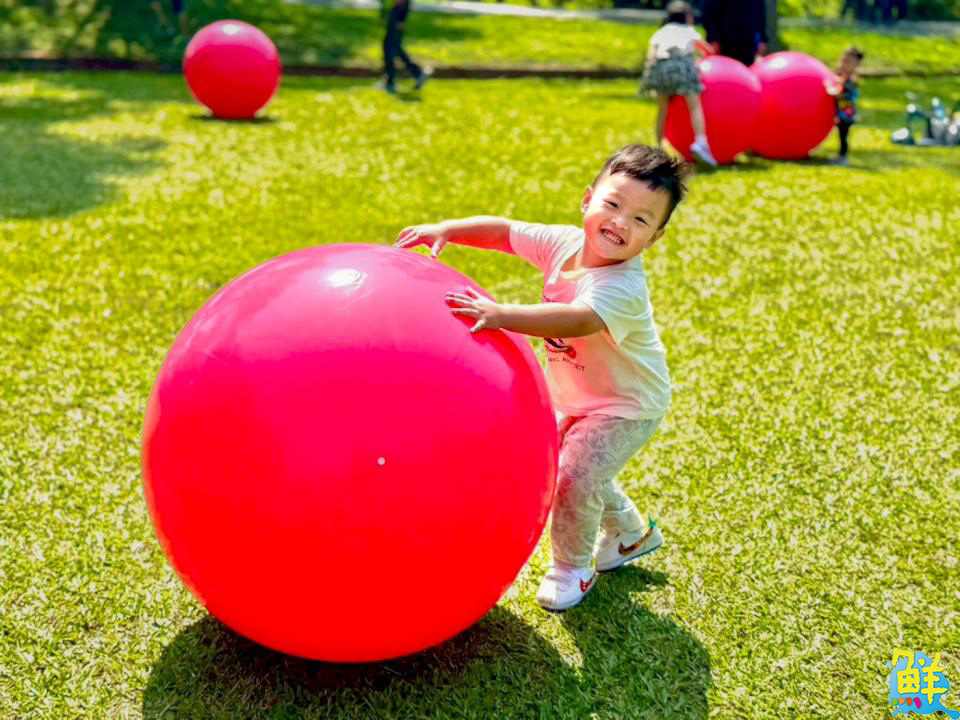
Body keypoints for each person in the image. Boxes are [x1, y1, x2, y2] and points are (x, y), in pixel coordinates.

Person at [394, 144, 689, 611]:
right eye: (613, 204)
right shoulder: (562, 243)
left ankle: (572, 568)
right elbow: (504, 232)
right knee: (575, 466)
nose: (620, 222)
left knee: (573, 476)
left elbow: (578, 319)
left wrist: (500, 314)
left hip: (627, 405)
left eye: (640, 219)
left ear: (655, 237)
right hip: (579, 394)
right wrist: (448, 230)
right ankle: (631, 533)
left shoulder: (623, 286)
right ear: (587, 200)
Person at [641, 0, 717, 166]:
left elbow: (651, 54)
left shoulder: (661, 32)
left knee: (662, 110)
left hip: (662, 69)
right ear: (687, 17)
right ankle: (700, 142)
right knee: (694, 106)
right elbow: (708, 51)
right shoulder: (689, 31)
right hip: (683, 68)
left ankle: (658, 148)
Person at [825, 46, 863, 166]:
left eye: (848, 62)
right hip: (840, 112)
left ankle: (843, 158)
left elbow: (843, 92)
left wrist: (832, 90)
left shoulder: (852, 79)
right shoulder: (841, 75)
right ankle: (840, 156)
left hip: (846, 114)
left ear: (856, 65)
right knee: (840, 135)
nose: (844, 64)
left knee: (843, 136)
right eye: (843, 61)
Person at [380, 0, 429, 94]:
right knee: (390, 46)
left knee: (392, 46)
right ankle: (390, 80)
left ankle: (416, 74)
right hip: (394, 11)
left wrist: (401, 19)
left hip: (397, 12)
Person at [700, 0, 767, 67]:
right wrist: (712, 39)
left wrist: (762, 39)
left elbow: (760, 11)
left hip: (748, 41)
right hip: (724, 42)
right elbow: (709, 13)